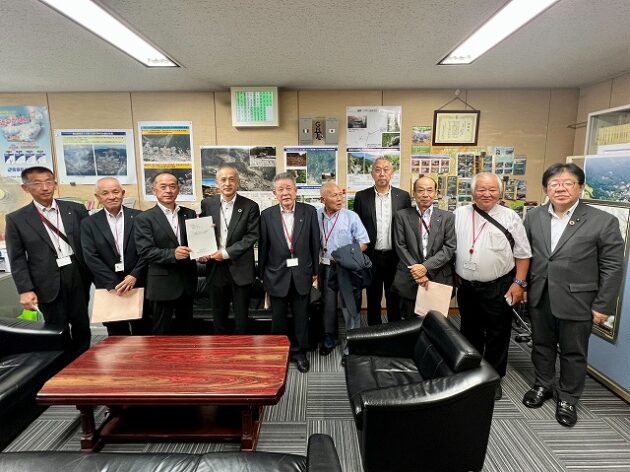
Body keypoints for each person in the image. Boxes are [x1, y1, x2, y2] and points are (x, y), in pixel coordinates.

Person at [522, 163, 623, 427]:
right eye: (554, 184)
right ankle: (543, 384)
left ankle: (567, 397)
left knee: (573, 352)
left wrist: (603, 305)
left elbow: (612, 267)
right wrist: (523, 287)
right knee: (541, 345)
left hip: (579, 300)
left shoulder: (603, 221)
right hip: (540, 295)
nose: (561, 188)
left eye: (568, 183)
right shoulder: (534, 216)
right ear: (546, 189)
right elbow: (526, 255)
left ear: (580, 187)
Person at [454, 172, 531, 401]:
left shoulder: (510, 217)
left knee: (498, 334)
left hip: (499, 286)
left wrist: (519, 283)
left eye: (492, 190)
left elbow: (523, 254)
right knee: (469, 331)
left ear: (499, 192)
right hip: (467, 287)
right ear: (473, 192)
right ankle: (472, 374)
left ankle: (493, 379)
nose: (486, 194)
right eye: (481, 189)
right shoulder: (459, 214)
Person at [5, 166, 92, 354]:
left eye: (48, 182)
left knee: (81, 324)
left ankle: (83, 360)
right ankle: (61, 364)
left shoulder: (75, 209)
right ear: (25, 188)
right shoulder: (16, 219)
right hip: (45, 280)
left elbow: (89, 243)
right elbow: (17, 259)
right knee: (56, 327)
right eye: (37, 183)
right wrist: (25, 290)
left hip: (77, 273)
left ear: (55, 184)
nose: (45, 188)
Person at [259, 173, 320, 373]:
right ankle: (279, 352)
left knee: (301, 316)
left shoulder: (309, 211)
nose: (285, 193)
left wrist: (315, 271)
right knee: (278, 318)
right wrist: (262, 275)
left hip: (302, 273)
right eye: (280, 189)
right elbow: (264, 247)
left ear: (296, 190)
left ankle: (300, 352)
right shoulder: (266, 215)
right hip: (276, 274)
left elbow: (315, 242)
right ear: (274, 193)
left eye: (288, 188)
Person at [81, 177, 147, 335]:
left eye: (116, 192)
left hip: (138, 281)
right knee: (117, 336)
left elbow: (147, 250)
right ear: (98, 197)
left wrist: (134, 275)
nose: (111, 197)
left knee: (143, 332)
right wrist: (114, 283)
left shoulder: (140, 217)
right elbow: (90, 256)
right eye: (105, 193)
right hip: (109, 286)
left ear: (123, 193)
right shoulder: (89, 223)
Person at [134, 172, 197, 334]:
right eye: (163, 187)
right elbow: (145, 250)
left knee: (187, 331)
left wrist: (203, 250)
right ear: (154, 190)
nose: (168, 190)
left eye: (172, 186)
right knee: (161, 332)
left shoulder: (189, 214)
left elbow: (195, 243)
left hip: (187, 282)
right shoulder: (144, 218)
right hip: (162, 284)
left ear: (178, 189)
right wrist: (172, 254)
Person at [200, 165, 259, 334]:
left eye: (231, 179)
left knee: (241, 319)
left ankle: (241, 349)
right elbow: (201, 231)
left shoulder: (250, 206)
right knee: (218, 317)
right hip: (215, 268)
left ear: (238, 182)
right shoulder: (207, 204)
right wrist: (201, 253)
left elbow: (251, 236)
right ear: (217, 183)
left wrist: (225, 253)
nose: (227, 183)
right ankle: (220, 349)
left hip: (241, 269)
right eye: (223, 179)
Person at [353, 157, 411, 324]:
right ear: (372, 173)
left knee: (394, 298)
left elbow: (408, 227)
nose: (382, 173)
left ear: (392, 173)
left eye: (386, 169)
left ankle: (394, 333)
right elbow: (357, 228)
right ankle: (374, 333)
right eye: (378, 170)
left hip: (395, 257)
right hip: (372, 257)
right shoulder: (362, 197)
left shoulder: (403, 197)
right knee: (373, 298)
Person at [392, 176, 456, 319]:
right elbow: (400, 245)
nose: (425, 194)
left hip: (437, 277)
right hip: (410, 277)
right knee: (409, 322)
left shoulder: (448, 217)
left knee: (435, 322)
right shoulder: (402, 216)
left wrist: (425, 267)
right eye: (420, 190)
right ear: (414, 193)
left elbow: (449, 247)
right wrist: (418, 272)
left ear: (436, 193)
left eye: (429, 190)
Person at [318, 181, 369, 355]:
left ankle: (352, 342)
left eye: (341, 194)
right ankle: (329, 339)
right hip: (325, 267)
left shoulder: (351, 216)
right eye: (334, 195)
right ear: (322, 199)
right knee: (328, 305)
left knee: (350, 306)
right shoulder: (316, 215)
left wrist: (346, 255)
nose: (339, 198)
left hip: (347, 268)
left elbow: (364, 242)